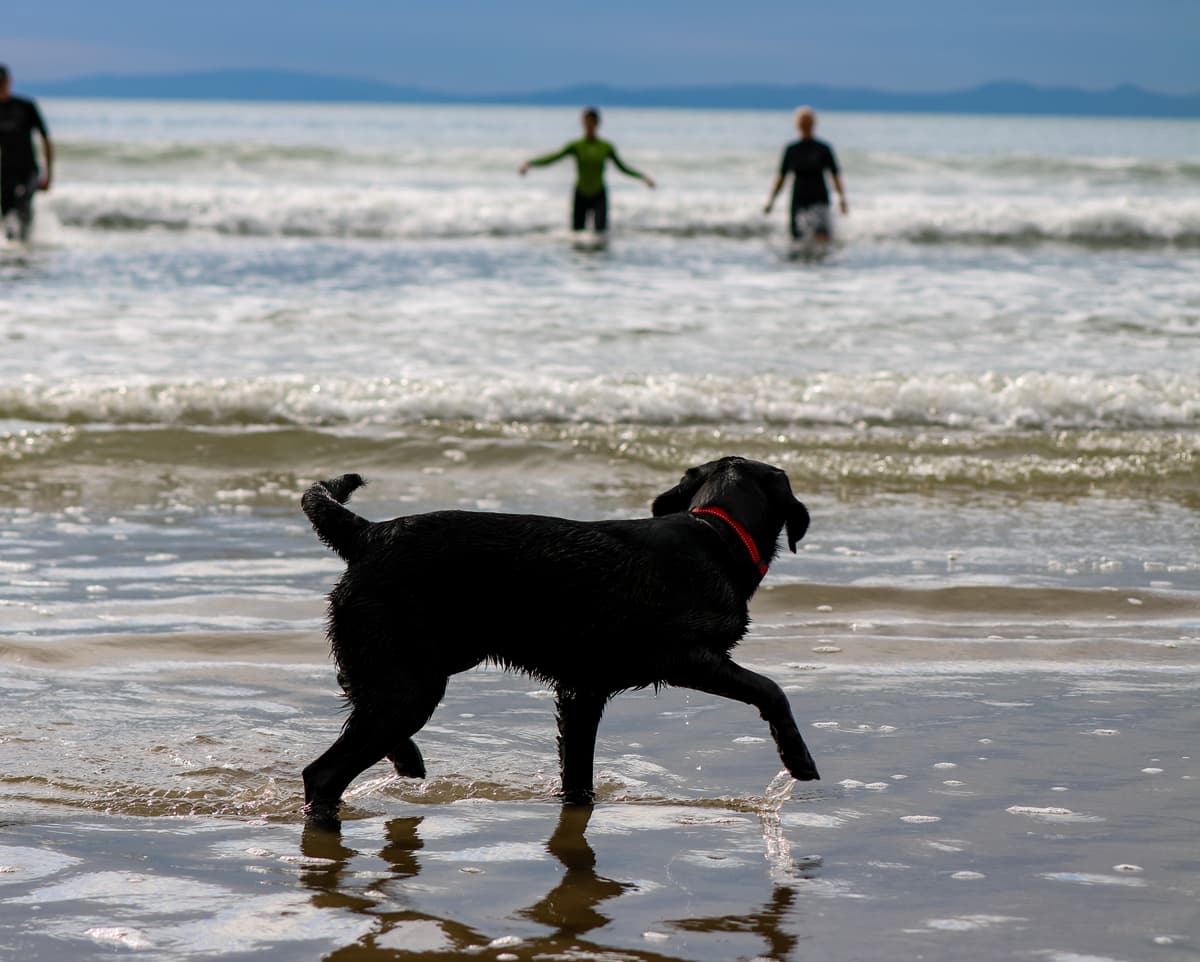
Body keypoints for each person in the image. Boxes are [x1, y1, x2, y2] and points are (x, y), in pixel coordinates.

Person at [520, 107, 654, 235]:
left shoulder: (606, 147)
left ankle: (600, 259)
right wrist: (530, 163)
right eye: (586, 121)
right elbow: (553, 157)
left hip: (599, 195)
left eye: (592, 121)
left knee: (600, 235)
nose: (589, 124)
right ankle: (578, 260)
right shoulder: (576, 145)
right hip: (580, 194)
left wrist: (642, 177)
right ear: (582, 123)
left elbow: (623, 168)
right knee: (577, 236)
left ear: (597, 123)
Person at [763, 106, 846, 243]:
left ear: (814, 124)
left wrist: (842, 199)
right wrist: (771, 201)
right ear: (797, 124)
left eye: (808, 121)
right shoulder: (791, 149)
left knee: (822, 238)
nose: (806, 124)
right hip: (798, 198)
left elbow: (835, 175)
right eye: (803, 121)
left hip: (820, 198)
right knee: (797, 239)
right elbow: (781, 177)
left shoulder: (824, 148)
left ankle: (823, 263)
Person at [0, 64, 53, 242]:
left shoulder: (25, 106)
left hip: (28, 168)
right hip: (5, 170)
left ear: (9, 81)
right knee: (7, 209)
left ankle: (26, 245)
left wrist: (49, 175)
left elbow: (46, 139)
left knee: (23, 203)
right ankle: (12, 249)